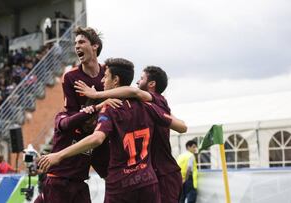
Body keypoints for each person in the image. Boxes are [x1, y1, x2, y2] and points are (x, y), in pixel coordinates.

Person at [38, 58, 187, 203]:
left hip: (122, 185)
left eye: (105, 77)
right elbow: (182, 127)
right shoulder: (149, 106)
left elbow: (96, 139)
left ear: (115, 80)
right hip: (148, 181)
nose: (102, 80)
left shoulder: (110, 108)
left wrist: (58, 155)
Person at [35, 26, 108, 203]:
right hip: (61, 179)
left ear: (95, 46)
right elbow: (71, 115)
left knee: (113, 175)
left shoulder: (108, 73)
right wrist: (94, 110)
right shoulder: (71, 77)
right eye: (75, 43)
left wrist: (96, 97)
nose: (77, 46)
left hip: (97, 137)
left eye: (82, 42)